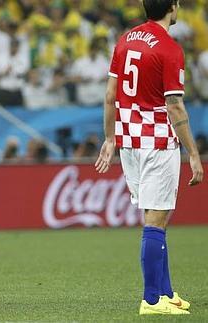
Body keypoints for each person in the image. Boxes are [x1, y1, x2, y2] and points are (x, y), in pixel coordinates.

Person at [95, 0, 204, 315]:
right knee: (155, 220)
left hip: (130, 142)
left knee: (160, 218)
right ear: (173, 7)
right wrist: (194, 155)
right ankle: (152, 300)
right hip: (157, 142)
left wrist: (110, 137)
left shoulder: (126, 39)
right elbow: (175, 107)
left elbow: (110, 95)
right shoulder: (169, 48)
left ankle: (166, 293)